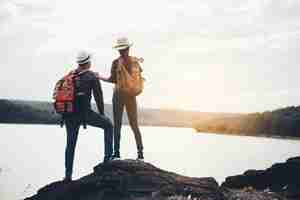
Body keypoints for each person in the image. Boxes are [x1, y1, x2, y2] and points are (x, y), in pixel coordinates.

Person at [63, 51, 113, 182]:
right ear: (88, 62)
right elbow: (99, 97)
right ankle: (108, 160)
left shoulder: (71, 75)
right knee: (108, 126)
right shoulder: (91, 76)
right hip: (85, 114)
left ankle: (68, 176)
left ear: (79, 63)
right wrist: (102, 115)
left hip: (69, 115)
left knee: (70, 144)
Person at [99, 37, 144, 161]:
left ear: (119, 50)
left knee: (117, 124)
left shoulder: (116, 62)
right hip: (132, 95)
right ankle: (140, 154)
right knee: (134, 124)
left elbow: (112, 79)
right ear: (128, 48)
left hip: (119, 95)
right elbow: (139, 76)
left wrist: (101, 78)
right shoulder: (136, 62)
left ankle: (117, 153)